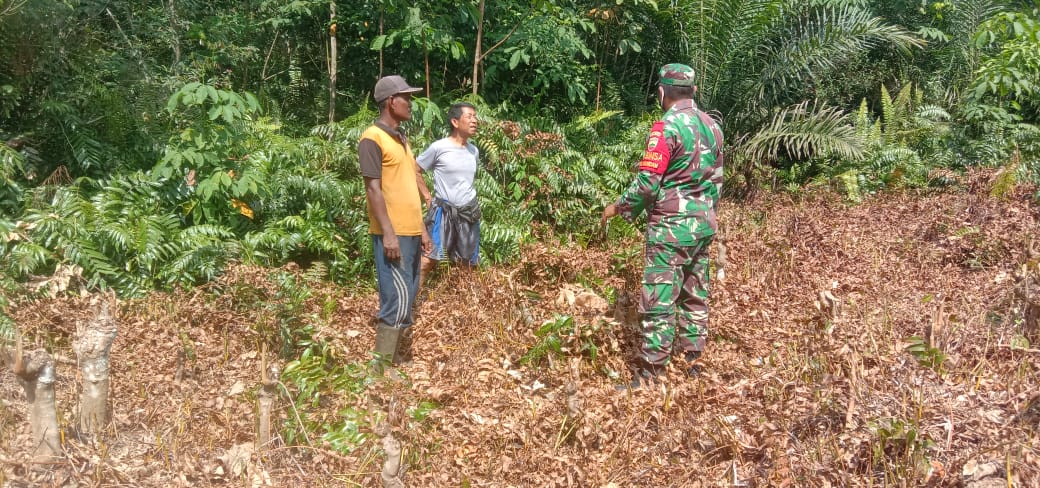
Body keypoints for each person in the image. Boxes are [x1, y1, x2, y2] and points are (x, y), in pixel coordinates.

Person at [601, 63, 724, 389]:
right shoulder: (713, 126)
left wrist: (619, 207)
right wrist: (706, 215)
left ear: (661, 92)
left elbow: (647, 184)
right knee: (695, 296)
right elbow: (718, 181)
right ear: (694, 90)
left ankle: (651, 375)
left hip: (671, 229)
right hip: (703, 225)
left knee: (659, 301)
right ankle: (693, 365)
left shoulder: (666, 128)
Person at [358, 74, 432, 364]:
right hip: (394, 234)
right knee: (395, 299)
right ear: (391, 101)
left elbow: (406, 184)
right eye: (407, 98)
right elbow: (373, 189)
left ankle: (397, 360)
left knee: (408, 296)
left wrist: (423, 230)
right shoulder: (371, 139)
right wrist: (388, 233)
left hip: (411, 231)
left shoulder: (401, 137)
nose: (411, 103)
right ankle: (380, 368)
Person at [416, 102, 482, 285]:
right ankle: (409, 307)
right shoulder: (439, 147)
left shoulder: (473, 151)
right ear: (455, 121)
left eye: (475, 116)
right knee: (428, 259)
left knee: (467, 264)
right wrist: (428, 197)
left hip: (468, 212)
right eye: (469, 116)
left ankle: (466, 307)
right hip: (442, 212)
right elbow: (415, 170)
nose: (474, 120)